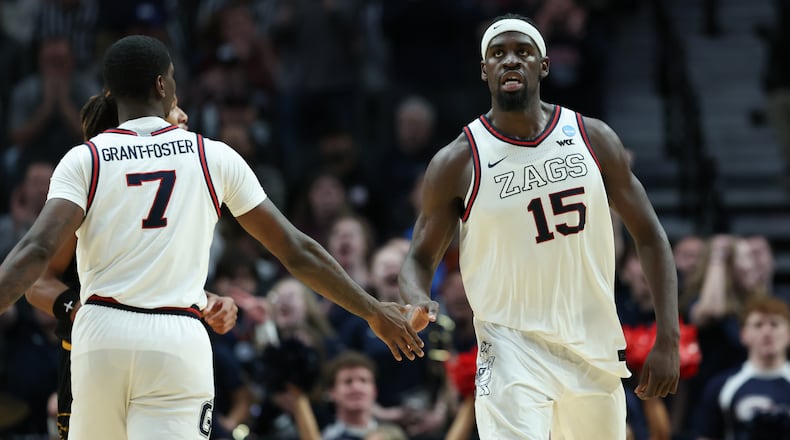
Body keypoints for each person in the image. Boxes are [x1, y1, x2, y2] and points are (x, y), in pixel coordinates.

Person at [0, 35, 426, 439]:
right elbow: (296, 250)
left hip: (101, 333)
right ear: (162, 85)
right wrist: (372, 310)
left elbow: (36, 249)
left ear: (111, 92)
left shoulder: (84, 159)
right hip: (175, 337)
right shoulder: (211, 155)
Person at [398, 14, 680, 439]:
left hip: (592, 344)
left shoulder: (593, 137)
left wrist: (668, 337)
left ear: (543, 65)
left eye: (523, 52)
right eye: (498, 54)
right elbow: (418, 258)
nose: (510, 60)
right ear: (484, 70)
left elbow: (651, 236)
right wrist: (418, 298)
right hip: (510, 346)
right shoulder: (458, 160)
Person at [23, 92, 237, 440]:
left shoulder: (179, 188)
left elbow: (152, 281)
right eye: (174, 107)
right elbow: (36, 282)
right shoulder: (95, 185)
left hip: (157, 348)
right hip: (91, 349)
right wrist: (80, 309)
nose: (184, 116)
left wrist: (209, 300)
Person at [693, 296, 790, 439]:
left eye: (774, 324)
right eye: (758, 325)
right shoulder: (722, 385)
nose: (767, 332)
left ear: (788, 334)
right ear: (743, 335)